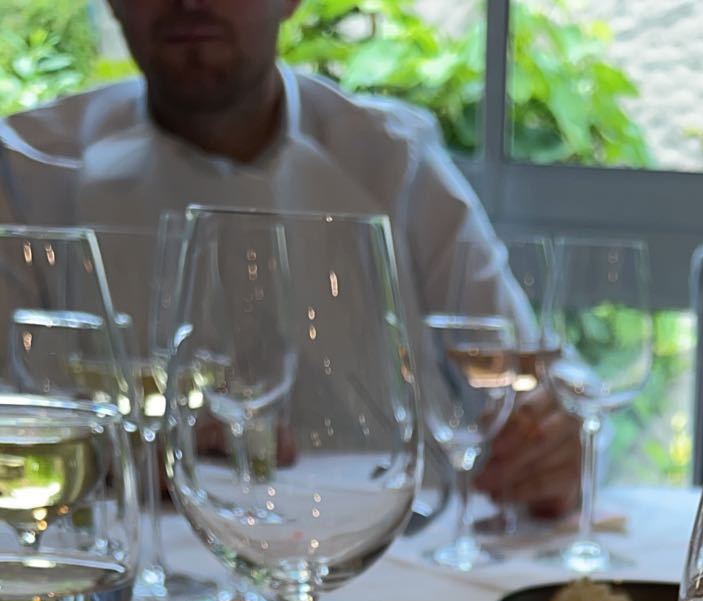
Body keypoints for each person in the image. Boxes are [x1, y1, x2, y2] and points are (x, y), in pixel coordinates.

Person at [0, 0, 578, 517]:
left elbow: (533, 377)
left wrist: (552, 442)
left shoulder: (393, 159)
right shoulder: (29, 169)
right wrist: (119, 459)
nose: (189, 2)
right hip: (135, 583)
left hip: (398, 562)